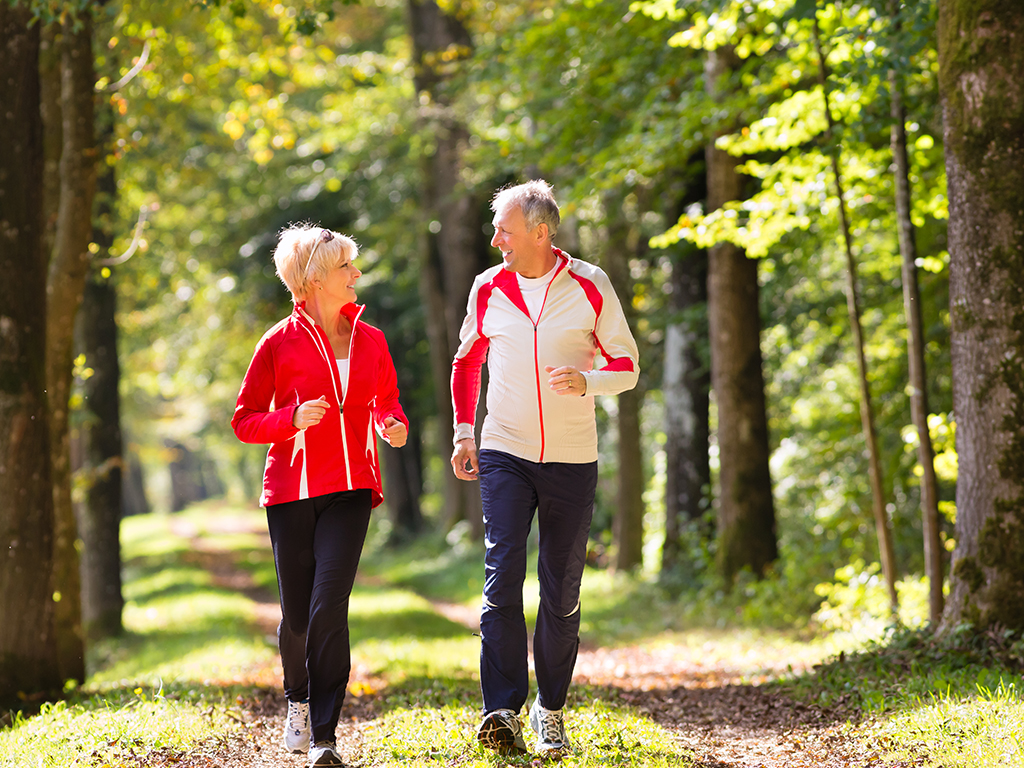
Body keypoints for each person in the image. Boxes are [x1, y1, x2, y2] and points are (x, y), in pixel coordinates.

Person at [450, 180, 640, 756]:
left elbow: (627, 365)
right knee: (502, 573)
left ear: (540, 231)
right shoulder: (489, 287)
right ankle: (501, 709)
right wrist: (464, 434)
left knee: (560, 592)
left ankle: (550, 709)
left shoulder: (590, 285)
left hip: (571, 457)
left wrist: (589, 381)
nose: (495, 239)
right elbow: (466, 362)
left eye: (504, 229)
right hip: (504, 449)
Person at [232, 223, 409, 768]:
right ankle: (298, 700)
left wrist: (391, 423)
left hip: (353, 487)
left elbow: (388, 400)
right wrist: (290, 419)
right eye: (344, 267)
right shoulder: (277, 343)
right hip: (291, 490)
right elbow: (244, 421)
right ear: (311, 280)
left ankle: (326, 737)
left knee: (330, 606)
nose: (356, 274)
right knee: (300, 617)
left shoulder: (371, 339)